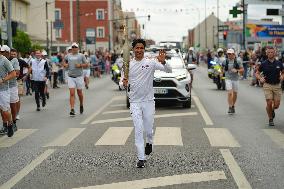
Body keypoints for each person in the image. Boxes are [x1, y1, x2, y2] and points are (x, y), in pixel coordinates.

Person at [121, 39, 172, 168]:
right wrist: (123, 84)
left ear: (144, 49)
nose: (139, 50)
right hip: (134, 102)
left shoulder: (151, 62)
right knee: (138, 129)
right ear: (133, 50)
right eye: (137, 48)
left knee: (148, 130)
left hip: (148, 101)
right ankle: (141, 158)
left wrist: (163, 61)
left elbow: (169, 70)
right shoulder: (127, 65)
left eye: (141, 48)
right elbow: (122, 83)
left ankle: (149, 141)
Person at [256, 47, 284, 126]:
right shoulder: (263, 63)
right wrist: (260, 78)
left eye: (272, 52)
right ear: (266, 54)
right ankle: (270, 119)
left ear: (274, 53)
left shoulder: (279, 63)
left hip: (277, 85)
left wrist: (282, 76)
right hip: (267, 85)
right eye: (269, 52)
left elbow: (283, 72)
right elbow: (257, 73)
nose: (270, 54)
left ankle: (271, 110)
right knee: (269, 102)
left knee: (276, 105)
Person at [63, 42, 88, 116]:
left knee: (79, 93)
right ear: (71, 48)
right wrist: (65, 65)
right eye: (73, 47)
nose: (74, 49)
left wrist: (80, 65)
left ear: (78, 48)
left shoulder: (81, 55)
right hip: (70, 77)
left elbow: (87, 64)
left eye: (75, 47)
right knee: (72, 93)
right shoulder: (68, 56)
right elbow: (63, 62)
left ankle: (81, 104)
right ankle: (72, 109)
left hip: (79, 77)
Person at [1, 45, 20, 131]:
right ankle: (5, 124)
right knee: (3, 108)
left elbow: (15, 73)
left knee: (12, 105)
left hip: (11, 86)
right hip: (5, 86)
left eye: (4, 52)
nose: (3, 53)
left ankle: (13, 122)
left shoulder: (13, 60)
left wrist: (3, 79)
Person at [222, 49, 244, 114]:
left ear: (233, 54)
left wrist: (237, 71)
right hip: (228, 78)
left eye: (230, 54)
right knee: (229, 93)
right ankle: (230, 106)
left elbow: (242, 69)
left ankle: (233, 105)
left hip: (236, 79)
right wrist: (221, 72)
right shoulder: (225, 61)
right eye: (228, 54)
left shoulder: (238, 61)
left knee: (235, 93)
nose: (229, 55)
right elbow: (222, 68)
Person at [10, 48, 29, 121]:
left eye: (14, 54)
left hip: (19, 81)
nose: (13, 55)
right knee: (11, 99)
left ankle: (17, 113)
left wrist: (26, 76)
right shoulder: (8, 61)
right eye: (12, 54)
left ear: (17, 54)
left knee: (17, 98)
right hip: (10, 81)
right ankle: (12, 113)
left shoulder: (20, 61)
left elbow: (29, 67)